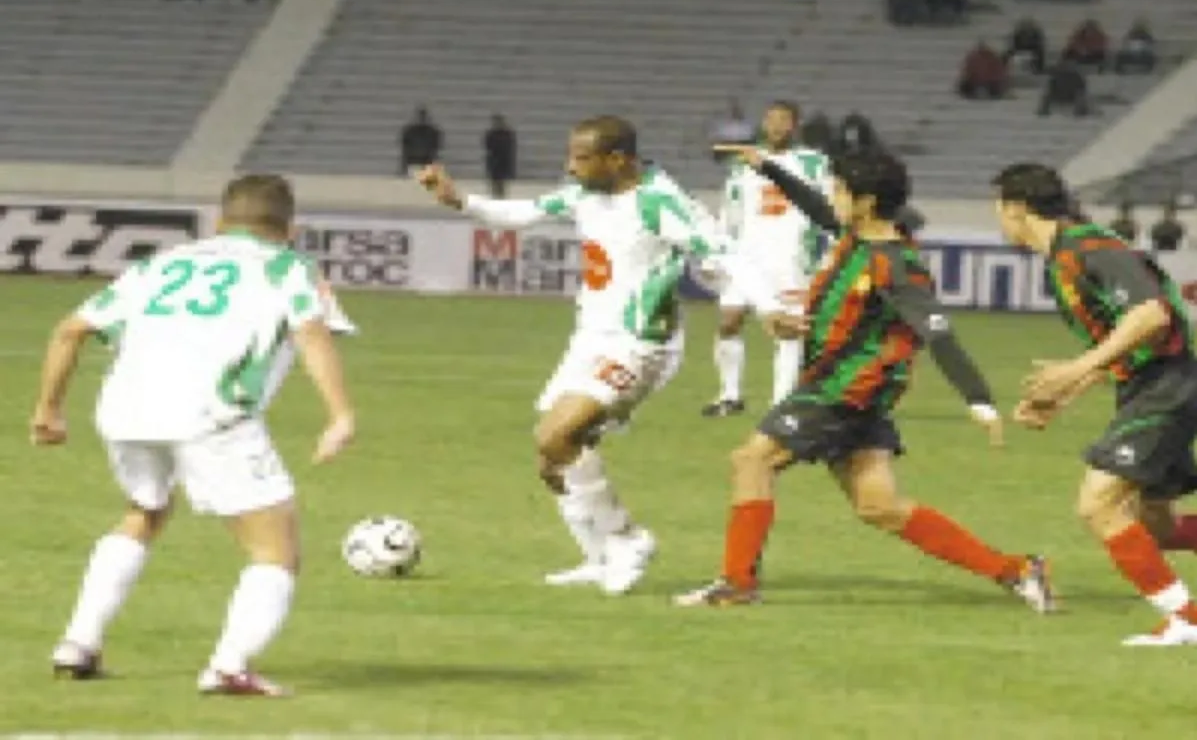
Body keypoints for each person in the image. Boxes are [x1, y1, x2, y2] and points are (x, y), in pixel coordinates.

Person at [415, 116, 802, 595]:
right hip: (589, 339)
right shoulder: (585, 193)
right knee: (551, 458)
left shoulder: (661, 201)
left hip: (640, 342)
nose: (570, 167)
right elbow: (526, 212)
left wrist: (768, 306)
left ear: (617, 159)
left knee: (558, 434)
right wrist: (458, 199)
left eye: (581, 157)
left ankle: (627, 539)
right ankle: (598, 557)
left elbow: (727, 252)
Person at [676, 147, 1053, 611]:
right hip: (856, 397)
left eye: (839, 189)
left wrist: (978, 400)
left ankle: (737, 583)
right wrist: (767, 166)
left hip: (840, 393)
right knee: (880, 507)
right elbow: (816, 209)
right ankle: (1018, 570)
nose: (831, 197)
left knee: (751, 461)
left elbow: (938, 332)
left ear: (867, 202)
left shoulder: (897, 266)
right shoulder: (856, 236)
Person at [36, 175, 357, 695]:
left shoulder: (163, 263)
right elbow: (312, 333)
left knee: (145, 513)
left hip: (125, 409)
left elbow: (70, 329)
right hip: (211, 414)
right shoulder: (289, 267)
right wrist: (340, 415)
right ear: (291, 229)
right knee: (275, 550)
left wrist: (49, 409)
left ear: (219, 221)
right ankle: (229, 666)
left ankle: (78, 643)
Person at [994, 163, 1197, 645]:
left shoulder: (1090, 249)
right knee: (1154, 526)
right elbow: (1121, 342)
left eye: (999, 210)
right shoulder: (1064, 259)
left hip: (1166, 384)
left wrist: (1076, 368)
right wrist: (1064, 393)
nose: (999, 221)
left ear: (1018, 208)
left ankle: (1188, 619)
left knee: (1099, 503)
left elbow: (1150, 315)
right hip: (1151, 385)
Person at [703, 101, 832, 417]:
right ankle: (730, 395)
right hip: (746, 257)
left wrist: (831, 250)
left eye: (783, 120)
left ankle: (781, 402)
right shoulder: (744, 163)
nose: (776, 126)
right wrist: (714, 255)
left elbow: (830, 207)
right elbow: (730, 211)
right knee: (729, 321)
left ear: (795, 125)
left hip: (791, 259)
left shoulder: (814, 163)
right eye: (771, 119)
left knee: (789, 331)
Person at [399, 107, 443, 176]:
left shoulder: (432, 132)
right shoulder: (409, 132)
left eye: (423, 118)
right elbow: (405, 150)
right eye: (420, 118)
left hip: (426, 163)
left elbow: (435, 150)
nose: (421, 120)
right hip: (414, 163)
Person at [484, 114, 517, 198]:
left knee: (500, 178)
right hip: (495, 158)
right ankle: (496, 192)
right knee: (495, 178)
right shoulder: (492, 133)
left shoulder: (506, 133)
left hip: (502, 158)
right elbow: (488, 145)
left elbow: (510, 146)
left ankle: (500, 192)